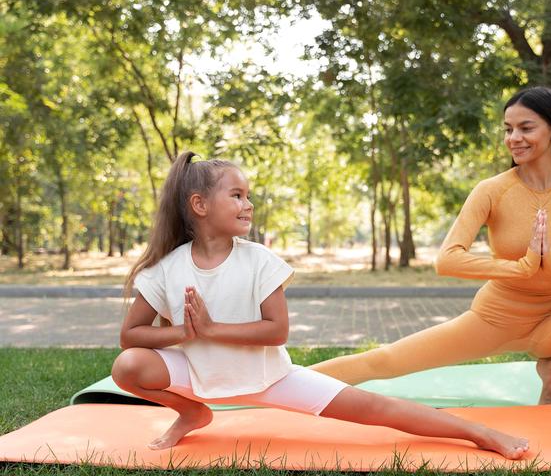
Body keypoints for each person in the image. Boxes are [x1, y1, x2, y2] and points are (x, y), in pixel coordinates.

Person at [111, 151, 529, 459]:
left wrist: (212, 329)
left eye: (248, 195)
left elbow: (277, 331)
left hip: (267, 376)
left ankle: (477, 433)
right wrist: (185, 333)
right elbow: (132, 336)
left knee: (374, 408)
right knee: (128, 367)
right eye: (236, 195)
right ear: (199, 206)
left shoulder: (259, 259)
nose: (248, 204)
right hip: (197, 373)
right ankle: (192, 414)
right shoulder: (166, 269)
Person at [312, 86, 551, 405]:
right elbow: (448, 259)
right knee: (383, 361)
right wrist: (520, 267)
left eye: (525, 128)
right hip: (492, 318)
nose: (514, 138)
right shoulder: (492, 189)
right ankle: (274, 387)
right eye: (508, 129)